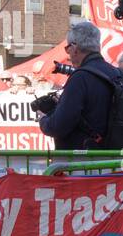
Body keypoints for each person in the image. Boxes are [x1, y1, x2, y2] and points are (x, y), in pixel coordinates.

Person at [37, 20, 118, 150]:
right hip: (115, 157)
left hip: (83, 161)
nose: (68, 54)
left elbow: (58, 126)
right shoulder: (117, 73)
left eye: (68, 48)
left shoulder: (80, 78)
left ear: (74, 48)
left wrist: (43, 119)